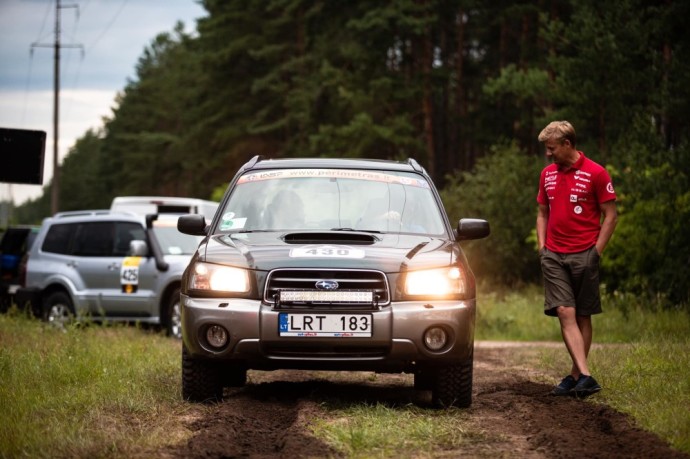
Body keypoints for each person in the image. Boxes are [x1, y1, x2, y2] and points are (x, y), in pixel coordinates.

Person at [536, 121, 617, 397]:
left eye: (552, 148)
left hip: (585, 253)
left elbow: (611, 215)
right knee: (564, 311)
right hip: (554, 254)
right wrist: (542, 247)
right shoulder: (547, 174)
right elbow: (542, 212)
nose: (549, 154)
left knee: (582, 314)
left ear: (567, 144)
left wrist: (596, 252)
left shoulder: (597, 173)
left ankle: (575, 374)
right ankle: (586, 375)